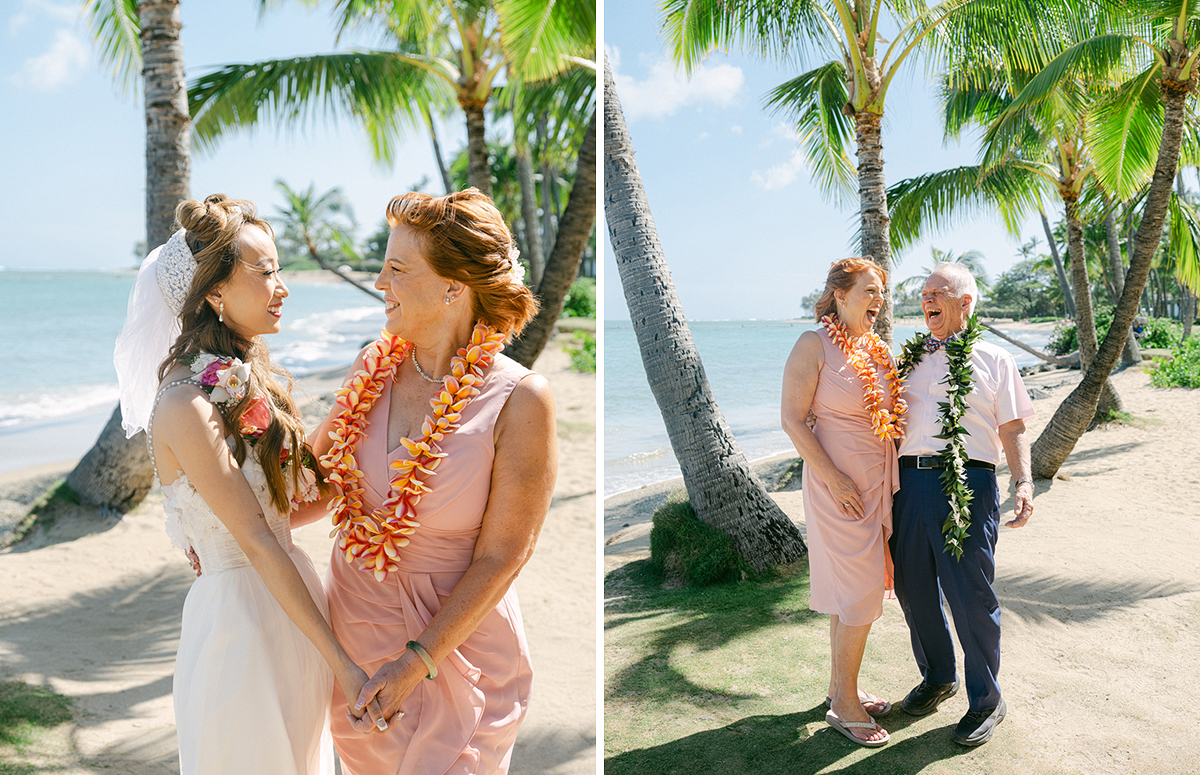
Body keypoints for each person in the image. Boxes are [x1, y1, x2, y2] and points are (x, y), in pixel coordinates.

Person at [114, 195, 381, 774]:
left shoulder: (238, 380)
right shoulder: (187, 404)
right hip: (240, 626)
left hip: (293, 611)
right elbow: (256, 539)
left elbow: (283, 512)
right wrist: (342, 663)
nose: (282, 286)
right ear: (214, 293)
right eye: (264, 272)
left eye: (279, 269)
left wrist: (366, 401)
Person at [298, 188, 558, 774]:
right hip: (356, 647)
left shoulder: (521, 400)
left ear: (452, 286)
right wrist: (221, 525)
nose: (380, 282)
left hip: (458, 650)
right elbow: (313, 488)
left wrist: (417, 661)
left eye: (396, 268)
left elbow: (505, 556)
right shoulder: (372, 368)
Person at [890, 263, 1035, 747]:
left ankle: (986, 700)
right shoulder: (905, 361)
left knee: (970, 594)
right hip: (907, 484)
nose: (925, 298)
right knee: (913, 591)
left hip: (967, 485)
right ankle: (938, 676)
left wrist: (1023, 482)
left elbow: (1013, 428)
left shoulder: (995, 360)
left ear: (965, 303)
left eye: (936, 292)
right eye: (923, 292)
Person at [781, 257, 905, 747]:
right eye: (870, 290)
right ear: (839, 293)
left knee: (851, 591)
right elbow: (792, 420)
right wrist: (833, 479)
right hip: (838, 488)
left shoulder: (876, 349)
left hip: (876, 482)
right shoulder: (813, 345)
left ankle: (839, 688)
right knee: (860, 594)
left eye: (882, 292)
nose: (878, 299)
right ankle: (846, 707)